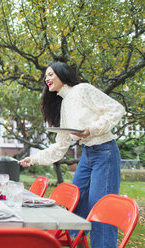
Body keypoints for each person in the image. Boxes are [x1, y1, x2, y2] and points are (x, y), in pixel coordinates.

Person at [18, 62, 125, 248]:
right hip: (88, 155)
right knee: (76, 206)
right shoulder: (64, 103)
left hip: (104, 152)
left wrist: (91, 129)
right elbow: (61, 145)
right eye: (46, 76)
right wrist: (33, 159)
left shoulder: (82, 90)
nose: (47, 79)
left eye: (51, 74)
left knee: (101, 212)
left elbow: (117, 109)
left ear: (62, 74)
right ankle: (78, 243)